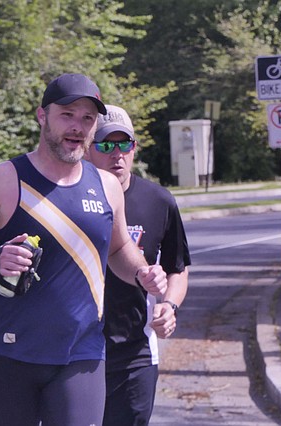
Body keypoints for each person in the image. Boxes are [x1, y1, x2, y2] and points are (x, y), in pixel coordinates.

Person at [0, 73, 167, 426]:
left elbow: (119, 249)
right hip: (8, 355)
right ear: (42, 116)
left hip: (82, 355)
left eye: (87, 118)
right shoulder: (5, 179)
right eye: (67, 115)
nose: (77, 127)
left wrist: (141, 272)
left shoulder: (106, 186)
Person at [84, 104, 191, 426]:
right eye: (105, 145)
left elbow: (178, 267)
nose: (116, 154)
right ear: (88, 149)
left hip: (135, 350)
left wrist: (169, 306)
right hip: (77, 350)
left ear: (134, 148)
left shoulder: (158, 201)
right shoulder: (70, 198)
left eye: (124, 144)